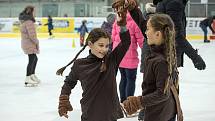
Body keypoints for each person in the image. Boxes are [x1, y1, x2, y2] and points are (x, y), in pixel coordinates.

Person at [56, 7, 131, 121]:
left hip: (110, 115)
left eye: (106, 46)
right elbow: (69, 83)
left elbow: (126, 42)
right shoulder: (79, 65)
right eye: (101, 45)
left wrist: (122, 23)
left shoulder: (111, 60)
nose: (105, 49)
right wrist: (63, 101)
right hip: (90, 114)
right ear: (90, 44)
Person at [122, 13, 183, 121]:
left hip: (158, 114)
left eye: (148, 29)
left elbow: (162, 93)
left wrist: (137, 102)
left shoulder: (159, 61)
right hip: (164, 111)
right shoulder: (167, 53)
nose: (145, 32)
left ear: (158, 34)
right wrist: (133, 9)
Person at [112, 11, 144, 104]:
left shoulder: (116, 22)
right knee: (130, 79)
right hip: (131, 57)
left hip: (119, 56)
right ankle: (128, 104)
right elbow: (141, 40)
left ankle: (123, 101)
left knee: (123, 78)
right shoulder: (134, 22)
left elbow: (113, 38)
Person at [19, 5, 41, 86]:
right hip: (29, 43)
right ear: (31, 12)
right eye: (34, 11)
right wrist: (36, 41)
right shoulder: (29, 22)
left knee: (34, 58)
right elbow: (32, 35)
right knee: (32, 59)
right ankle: (28, 78)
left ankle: (32, 75)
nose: (35, 13)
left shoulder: (27, 21)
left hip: (27, 43)